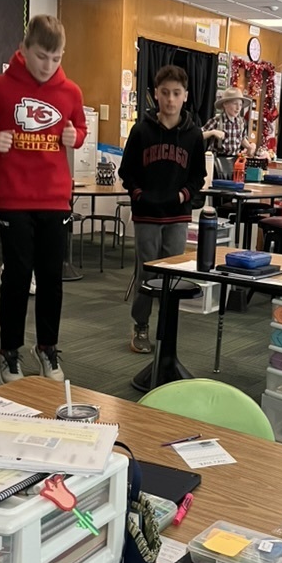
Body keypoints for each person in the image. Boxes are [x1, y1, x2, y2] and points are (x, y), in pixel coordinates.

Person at [0, 15, 86, 385]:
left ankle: (47, 347)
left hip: (54, 198)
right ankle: (9, 351)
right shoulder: (0, 87)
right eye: (40, 56)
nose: (48, 66)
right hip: (14, 198)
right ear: (23, 49)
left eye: (55, 58)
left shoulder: (71, 92)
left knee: (52, 278)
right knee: (18, 277)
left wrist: (74, 137)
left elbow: (79, 128)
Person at [119, 65, 206, 354]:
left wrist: (184, 194)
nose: (170, 99)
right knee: (147, 272)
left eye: (176, 93)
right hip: (146, 215)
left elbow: (198, 176)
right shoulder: (141, 130)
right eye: (165, 93)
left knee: (172, 274)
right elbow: (126, 171)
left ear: (185, 97)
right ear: (156, 94)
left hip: (177, 216)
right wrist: (138, 194)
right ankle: (140, 325)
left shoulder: (194, 135)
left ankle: (166, 327)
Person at [201, 87, 256, 158]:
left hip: (234, 160)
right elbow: (199, 135)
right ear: (225, 104)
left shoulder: (240, 122)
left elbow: (241, 139)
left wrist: (249, 147)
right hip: (218, 160)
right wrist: (212, 132)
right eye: (235, 103)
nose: (238, 108)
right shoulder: (216, 121)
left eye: (240, 104)